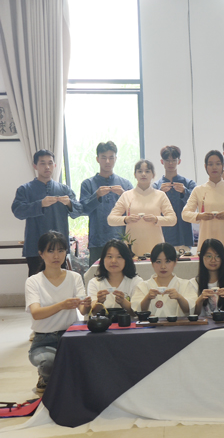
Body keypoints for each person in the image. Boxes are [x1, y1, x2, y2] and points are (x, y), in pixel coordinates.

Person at [25, 231, 91, 395]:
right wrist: (61, 305)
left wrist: (88, 305)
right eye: (51, 251)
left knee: (90, 359)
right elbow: (36, 313)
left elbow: (83, 309)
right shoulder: (33, 281)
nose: (56, 256)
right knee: (49, 362)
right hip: (43, 340)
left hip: (70, 336)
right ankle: (45, 377)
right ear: (41, 254)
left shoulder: (75, 277)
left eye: (61, 250)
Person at [12, 150, 83, 276]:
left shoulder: (64, 189)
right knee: (36, 283)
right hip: (35, 247)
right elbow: (18, 211)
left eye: (50, 163)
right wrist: (40, 204)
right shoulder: (25, 189)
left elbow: (78, 211)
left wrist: (69, 203)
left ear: (55, 165)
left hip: (59, 248)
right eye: (43, 163)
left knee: (60, 281)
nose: (47, 167)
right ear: (35, 166)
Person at [182, 151, 224, 255]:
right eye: (210, 164)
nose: (214, 167)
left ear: (223, 166)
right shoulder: (198, 190)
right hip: (206, 237)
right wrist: (200, 216)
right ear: (205, 166)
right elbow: (185, 214)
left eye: (218, 164)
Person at [107, 159, 177, 256]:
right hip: (132, 247)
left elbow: (173, 219)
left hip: (156, 245)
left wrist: (156, 219)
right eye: (140, 171)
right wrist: (126, 219)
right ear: (135, 174)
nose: (143, 174)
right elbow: (111, 219)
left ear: (153, 175)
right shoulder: (126, 195)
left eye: (147, 171)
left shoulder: (160, 195)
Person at [80, 141, 134, 266]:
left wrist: (123, 195)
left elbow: (135, 211)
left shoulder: (125, 184)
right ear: (97, 159)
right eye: (104, 157)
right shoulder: (88, 184)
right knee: (96, 274)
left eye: (111, 157)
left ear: (116, 159)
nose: (108, 161)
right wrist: (96, 195)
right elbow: (83, 209)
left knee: (124, 274)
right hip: (97, 241)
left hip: (122, 239)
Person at [131, 243, 197, 317]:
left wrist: (179, 297)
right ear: (152, 263)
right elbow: (137, 311)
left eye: (167, 261)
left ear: (175, 262)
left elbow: (191, 310)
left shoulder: (185, 285)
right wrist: (147, 298)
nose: (163, 266)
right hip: (151, 325)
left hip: (178, 324)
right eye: (158, 262)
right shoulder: (142, 286)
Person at [153, 145, 197, 252]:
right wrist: (159, 193)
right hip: (162, 236)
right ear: (162, 162)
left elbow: (196, 203)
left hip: (183, 235)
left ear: (179, 161)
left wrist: (185, 192)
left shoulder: (189, 184)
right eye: (167, 160)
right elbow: (150, 208)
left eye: (174, 160)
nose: (171, 163)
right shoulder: (155, 186)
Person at [87, 239, 142, 317]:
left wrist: (123, 302)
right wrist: (99, 302)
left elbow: (138, 313)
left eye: (119, 257)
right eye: (109, 257)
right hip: (104, 324)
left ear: (126, 260)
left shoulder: (136, 282)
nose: (113, 261)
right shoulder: (94, 283)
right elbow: (93, 312)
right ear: (103, 259)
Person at [191, 238, 224, 316]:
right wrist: (200, 299)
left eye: (218, 256)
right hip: (205, 323)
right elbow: (194, 314)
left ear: (223, 258)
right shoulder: (194, 282)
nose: (213, 260)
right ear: (202, 257)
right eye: (209, 256)